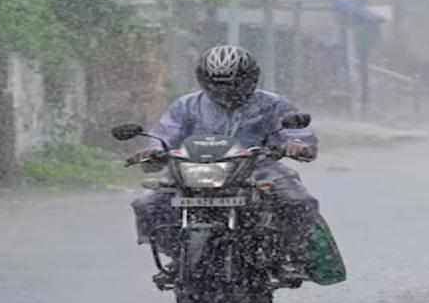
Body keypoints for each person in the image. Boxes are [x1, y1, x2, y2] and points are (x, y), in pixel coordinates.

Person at [129, 45, 318, 277]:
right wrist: (153, 151)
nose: (225, 90)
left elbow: (296, 134)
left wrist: (297, 146)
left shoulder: (273, 104)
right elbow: (165, 134)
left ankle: (289, 255)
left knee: (299, 202)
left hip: (258, 169)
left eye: (233, 83)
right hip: (195, 170)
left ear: (250, 79)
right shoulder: (186, 105)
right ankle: (179, 254)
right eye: (216, 83)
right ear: (203, 80)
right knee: (147, 205)